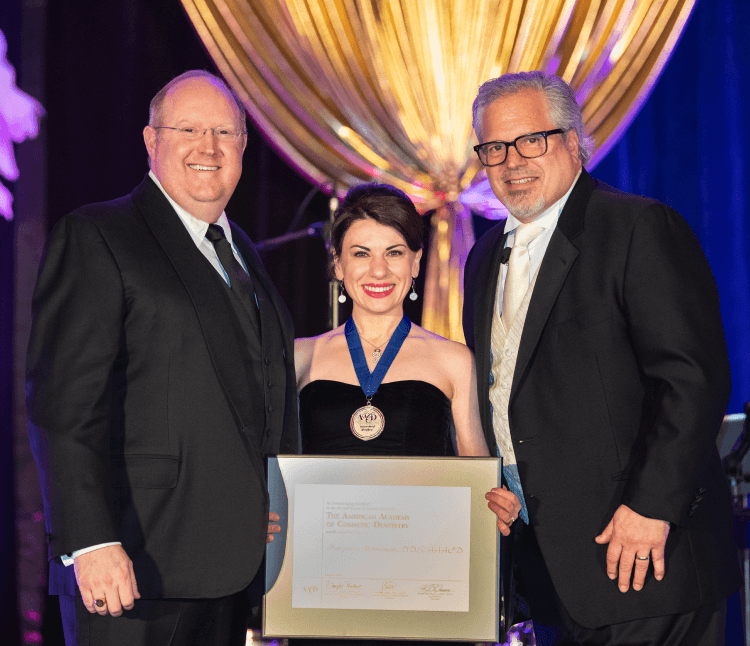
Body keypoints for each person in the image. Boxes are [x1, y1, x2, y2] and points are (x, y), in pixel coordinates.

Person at [462, 70, 741, 645]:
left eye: (529, 140)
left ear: (572, 140)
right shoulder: (484, 253)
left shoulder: (638, 226)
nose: (511, 161)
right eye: (493, 148)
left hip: (644, 559)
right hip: (547, 571)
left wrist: (651, 509)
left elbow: (692, 380)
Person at [26, 70, 298, 645]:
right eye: (188, 129)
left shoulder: (241, 249)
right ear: (151, 141)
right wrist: (90, 541)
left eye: (224, 132)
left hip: (229, 570)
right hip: (132, 569)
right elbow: (62, 406)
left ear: (244, 146)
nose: (208, 146)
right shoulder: (100, 235)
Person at [293, 183, 521, 645]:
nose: (378, 269)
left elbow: (477, 476)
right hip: (323, 593)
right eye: (360, 253)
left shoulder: (453, 361)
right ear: (337, 264)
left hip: (422, 593)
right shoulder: (298, 358)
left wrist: (498, 504)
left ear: (417, 262)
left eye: (394, 252)